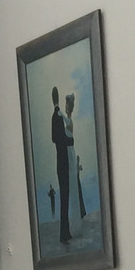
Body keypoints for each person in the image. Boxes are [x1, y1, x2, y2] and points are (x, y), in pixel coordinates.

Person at [50, 85, 72, 244]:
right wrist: (69, 140)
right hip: (63, 162)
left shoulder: (54, 116)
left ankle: (65, 232)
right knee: (65, 197)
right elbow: (59, 138)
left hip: (60, 162)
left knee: (65, 197)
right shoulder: (57, 116)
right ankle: (64, 233)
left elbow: (54, 138)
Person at [63, 92, 78, 233]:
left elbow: (62, 116)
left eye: (66, 105)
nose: (65, 107)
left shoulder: (68, 121)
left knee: (72, 184)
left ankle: (75, 225)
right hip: (69, 152)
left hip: (69, 152)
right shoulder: (68, 120)